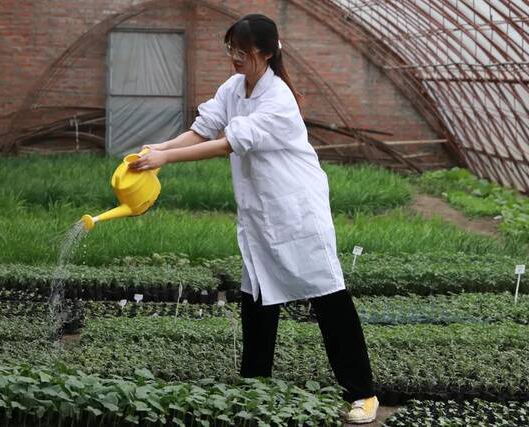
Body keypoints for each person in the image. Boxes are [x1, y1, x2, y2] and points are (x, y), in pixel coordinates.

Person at [130, 13, 379, 425]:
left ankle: (363, 392)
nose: (234, 58)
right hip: (261, 214)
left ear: (265, 53)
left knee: (328, 296)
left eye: (241, 52)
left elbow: (228, 144)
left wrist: (166, 158)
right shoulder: (235, 87)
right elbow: (206, 128)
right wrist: (159, 148)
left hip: (296, 210)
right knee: (257, 297)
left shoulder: (278, 99)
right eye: (231, 49)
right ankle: (254, 384)